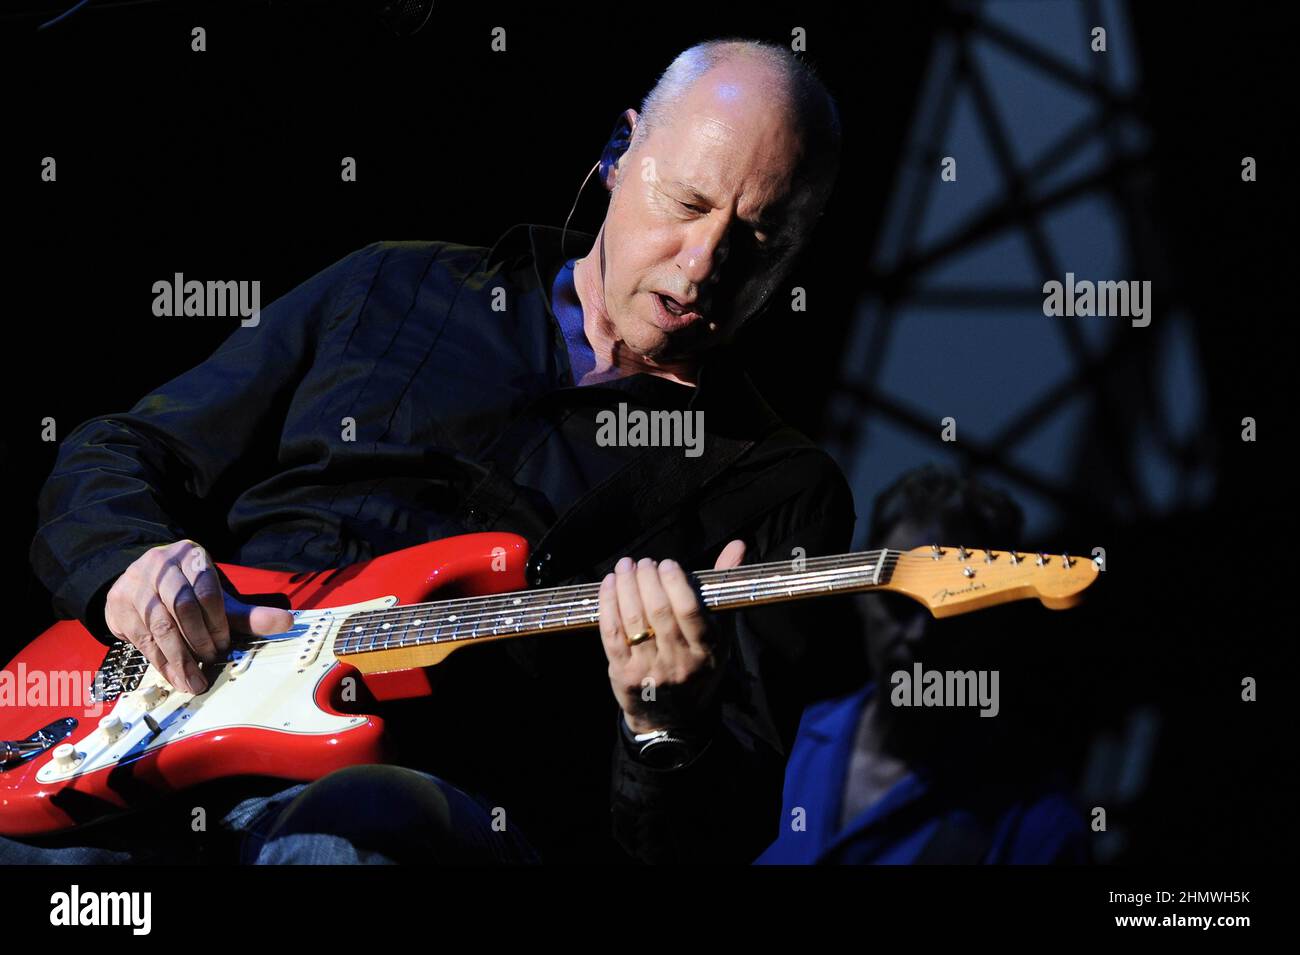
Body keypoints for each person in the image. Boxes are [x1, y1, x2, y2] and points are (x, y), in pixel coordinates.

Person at [7, 38, 866, 864]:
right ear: (619, 150)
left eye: (760, 239)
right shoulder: (393, 285)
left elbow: (716, 834)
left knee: (358, 826)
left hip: (424, 813)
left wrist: (665, 728)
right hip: (142, 737)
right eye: (686, 203)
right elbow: (122, 448)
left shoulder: (778, 488)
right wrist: (133, 565)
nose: (705, 262)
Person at [754, 466, 1089, 863]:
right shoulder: (777, 746)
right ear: (862, 595)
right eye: (900, 603)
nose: (918, 635)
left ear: (997, 621)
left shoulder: (1039, 826)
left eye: (955, 610)